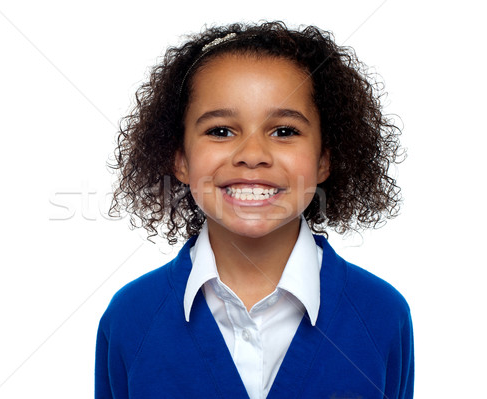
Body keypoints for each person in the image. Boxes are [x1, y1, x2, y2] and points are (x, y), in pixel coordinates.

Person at [96, 21, 413, 399]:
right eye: (220, 131)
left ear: (324, 159)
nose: (251, 156)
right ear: (180, 159)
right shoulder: (131, 317)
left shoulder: (381, 314)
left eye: (284, 131)